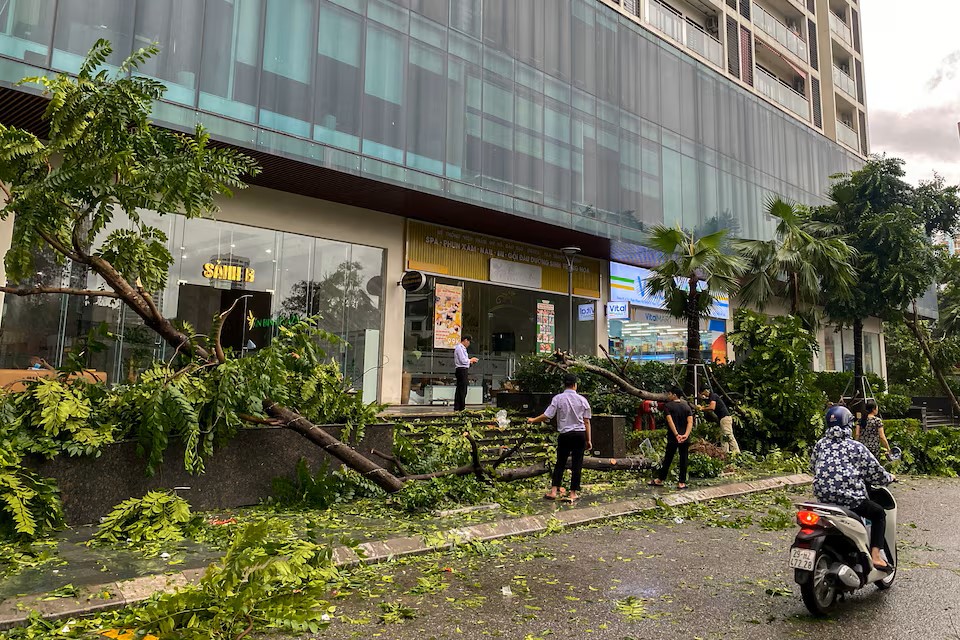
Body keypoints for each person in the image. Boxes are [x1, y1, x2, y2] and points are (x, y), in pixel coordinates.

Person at [812, 405, 896, 571]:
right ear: (848, 424)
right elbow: (875, 472)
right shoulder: (856, 447)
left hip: (823, 500)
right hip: (849, 500)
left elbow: (813, 466)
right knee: (878, 513)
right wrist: (889, 477)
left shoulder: (820, 445)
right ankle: (876, 557)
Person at [528, 373, 592, 504]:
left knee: (560, 463)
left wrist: (533, 420)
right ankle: (573, 493)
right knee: (577, 464)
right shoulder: (582, 400)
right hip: (579, 434)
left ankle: (553, 490)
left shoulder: (558, 398)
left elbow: (547, 415)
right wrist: (588, 440)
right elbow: (586, 422)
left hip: (565, 435)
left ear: (564, 384)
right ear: (575, 385)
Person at [650, 386, 693, 489]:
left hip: (674, 438)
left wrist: (676, 434)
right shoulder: (687, 406)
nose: (668, 396)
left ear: (674, 395)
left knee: (668, 458)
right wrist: (686, 435)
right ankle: (681, 482)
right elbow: (690, 422)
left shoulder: (668, 406)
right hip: (685, 438)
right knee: (684, 459)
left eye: (669, 394)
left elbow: (670, 421)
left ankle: (660, 479)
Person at [698, 387, 740, 455]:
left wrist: (702, 408)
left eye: (702, 393)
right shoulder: (712, 397)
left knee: (729, 436)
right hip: (723, 419)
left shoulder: (713, 396)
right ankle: (725, 453)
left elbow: (712, 407)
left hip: (725, 419)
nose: (703, 396)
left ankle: (737, 453)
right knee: (723, 437)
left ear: (705, 391)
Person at [453, 335, 478, 412]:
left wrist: (470, 362)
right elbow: (462, 360)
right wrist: (471, 360)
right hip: (461, 370)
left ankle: (459, 406)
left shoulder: (463, 349)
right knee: (462, 389)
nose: (469, 344)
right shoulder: (459, 348)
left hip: (463, 369)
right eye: (469, 341)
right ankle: (461, 407)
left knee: (461, 388)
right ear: (465, 340)